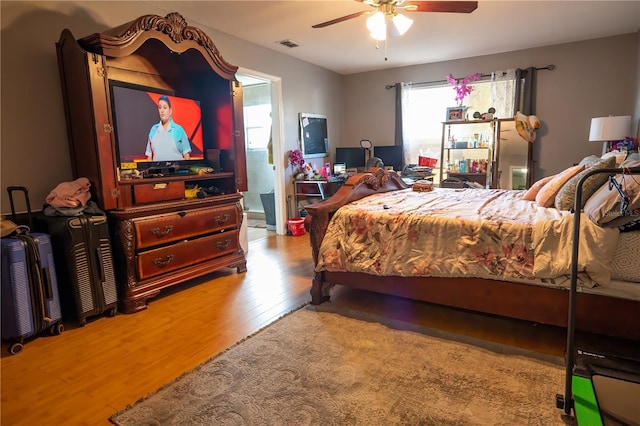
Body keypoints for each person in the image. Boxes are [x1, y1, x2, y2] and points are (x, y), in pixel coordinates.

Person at [145, 95, 192, 161]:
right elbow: (149, 156)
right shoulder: (153, 130)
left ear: (170, 111)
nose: (162, 111)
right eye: (160, 107)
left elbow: (186, 155)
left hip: (177, 170)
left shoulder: (179, 130)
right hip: (158, 170)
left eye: (165, 107)